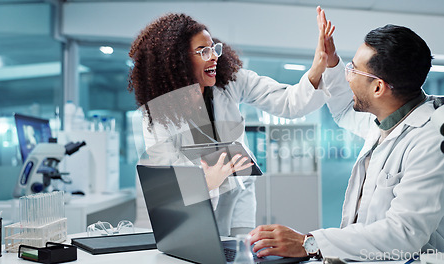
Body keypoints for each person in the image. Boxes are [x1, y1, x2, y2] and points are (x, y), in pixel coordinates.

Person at [249, 7, 444, 261]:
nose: (347, 77)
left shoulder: (434, 140)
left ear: (378, 87)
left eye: (353, 69)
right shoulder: (388, 119)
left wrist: (309, 243)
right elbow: (342, 109)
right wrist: (332, 60)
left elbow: (403, 234)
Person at [128, 12, 337, 237]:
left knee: (237, 253)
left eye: (214, 48)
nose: (214, 56)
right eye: (203, 51)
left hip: (237, 209)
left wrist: (317, 68)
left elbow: (288, 102)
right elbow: (166, 186)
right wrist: (206, 182)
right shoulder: (159, 116)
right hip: (183, 223)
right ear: (177, 60)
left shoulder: (229, 83)